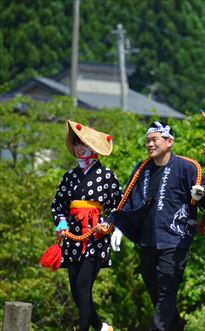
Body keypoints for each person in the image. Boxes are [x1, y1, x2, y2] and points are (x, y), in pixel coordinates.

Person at [110, 121, 205, 331]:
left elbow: (204, 199)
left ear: (169, 142)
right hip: (147, 240)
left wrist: (200, 195)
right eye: (148, 140)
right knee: (155, 290)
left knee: (166, 288)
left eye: (155, 140)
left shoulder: (187, 167)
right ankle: (176, 326)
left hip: (175, 240)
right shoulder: (142, 169)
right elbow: (129, 198)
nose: (150, 144)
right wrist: (118, 226)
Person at [50, 120, 122, 331]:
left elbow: (117, 207)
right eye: (77, 143)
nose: (80, 148)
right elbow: (58, 205)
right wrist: (61, 222)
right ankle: (101, 327)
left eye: (84, 144)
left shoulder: (107, 176)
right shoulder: (69, 176)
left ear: (94, 148)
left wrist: (107, 225)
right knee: (75, 290)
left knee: (83, 288)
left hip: (95, 237)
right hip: (72, 236)